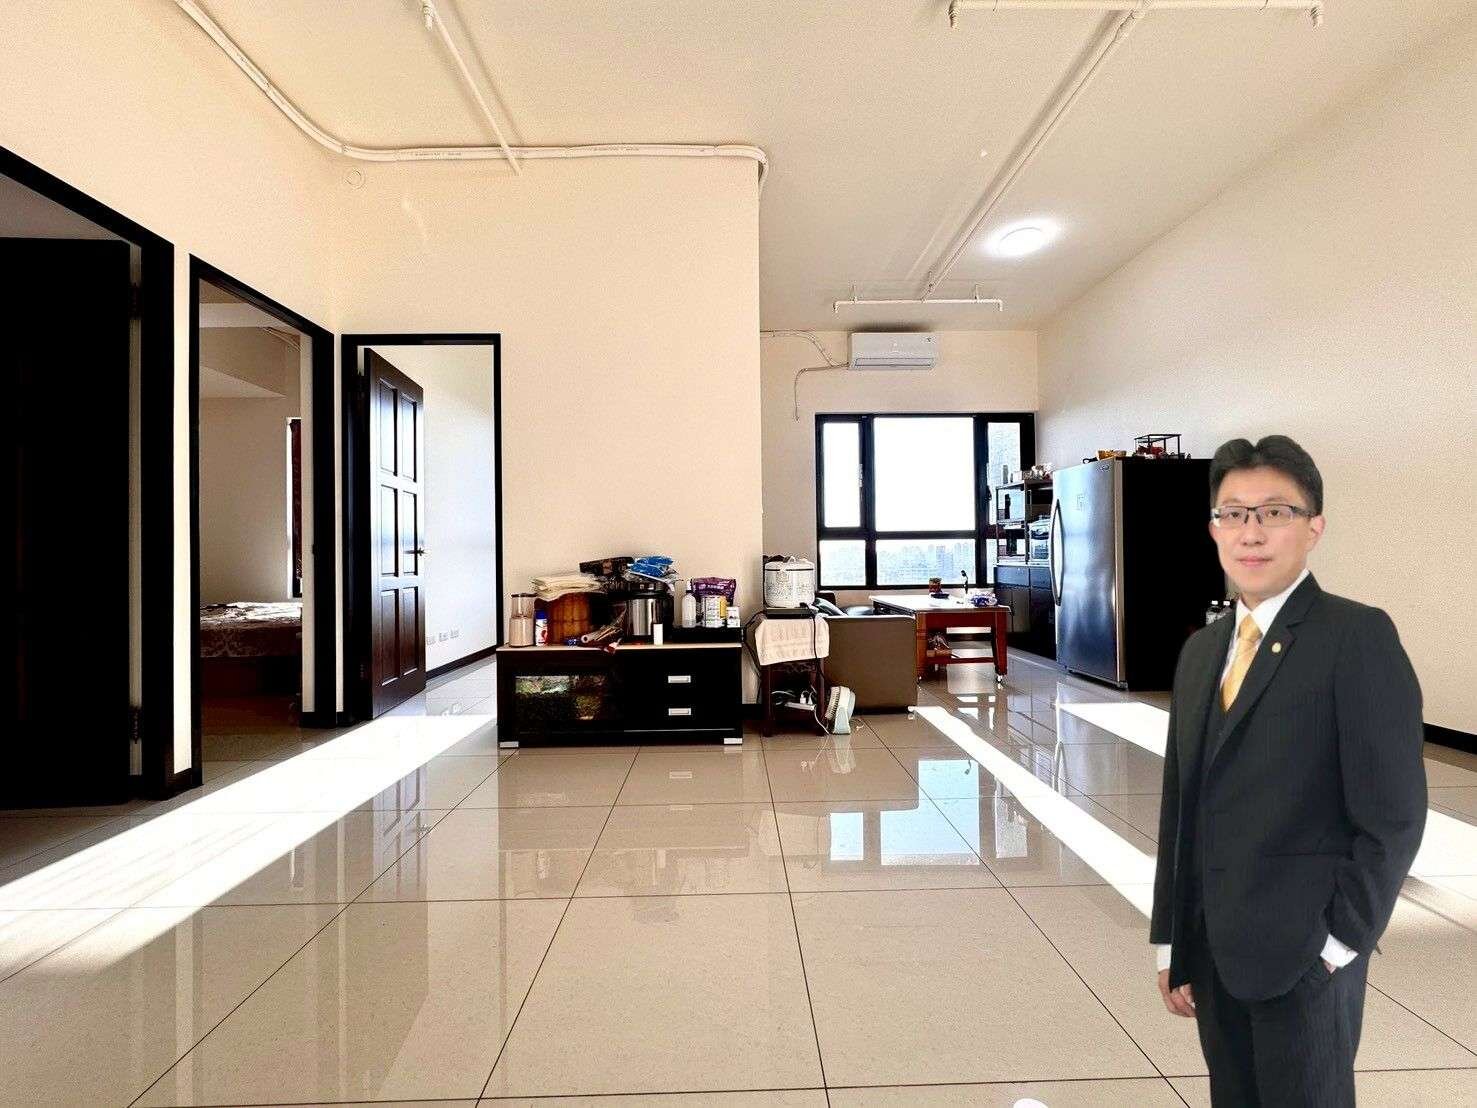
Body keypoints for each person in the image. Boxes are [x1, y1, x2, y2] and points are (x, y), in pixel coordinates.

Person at [1149, 435, 1427, 1106]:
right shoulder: (1200, 652)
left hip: (1306, 956)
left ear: (1313, 527)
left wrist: (1339, 944)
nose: (1251, 532)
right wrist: (1171, 941)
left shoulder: (1355, 637)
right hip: (1213, 953)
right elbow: (1181, 806)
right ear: (1214, 529)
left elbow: (1392, 816)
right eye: (1233, 513)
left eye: (1274, 512)